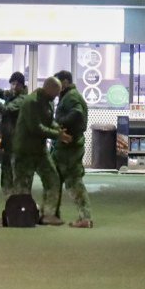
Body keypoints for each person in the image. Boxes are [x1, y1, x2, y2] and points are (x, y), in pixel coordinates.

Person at [8, 75, 64, 225]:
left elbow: (48, 120)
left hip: (40, 150)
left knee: (53, 179)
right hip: (24, 151)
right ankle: (19, 216)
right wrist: (57, 135)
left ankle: (48, 214)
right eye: (56, 93)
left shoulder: (49, 102)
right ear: (48, 89)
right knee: (22, 186)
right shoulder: (30, 102)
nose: (57, 96)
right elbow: (35, 127)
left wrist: (57, 128)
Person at [51, 69, 93, 227]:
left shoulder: (71, 97)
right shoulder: (68, 96)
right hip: (65, 147)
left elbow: (77, 115)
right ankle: (53, 214)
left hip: (69, 147)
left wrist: (60, 123)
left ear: (66, 82)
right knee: (56, 179)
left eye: (58, 83)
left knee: (74, 182)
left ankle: (85, 218)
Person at [0, 71, 27, 193]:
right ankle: (10, 200)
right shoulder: (13, 95)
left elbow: (5, 109)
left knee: (16, 175)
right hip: (10, 143)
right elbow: (2, 93)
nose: (13, 87)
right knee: (6, 175)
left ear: (21, 85)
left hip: (17, 145)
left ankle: (19, 201)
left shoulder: (22, 99)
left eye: (15, 84)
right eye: (12, 84)